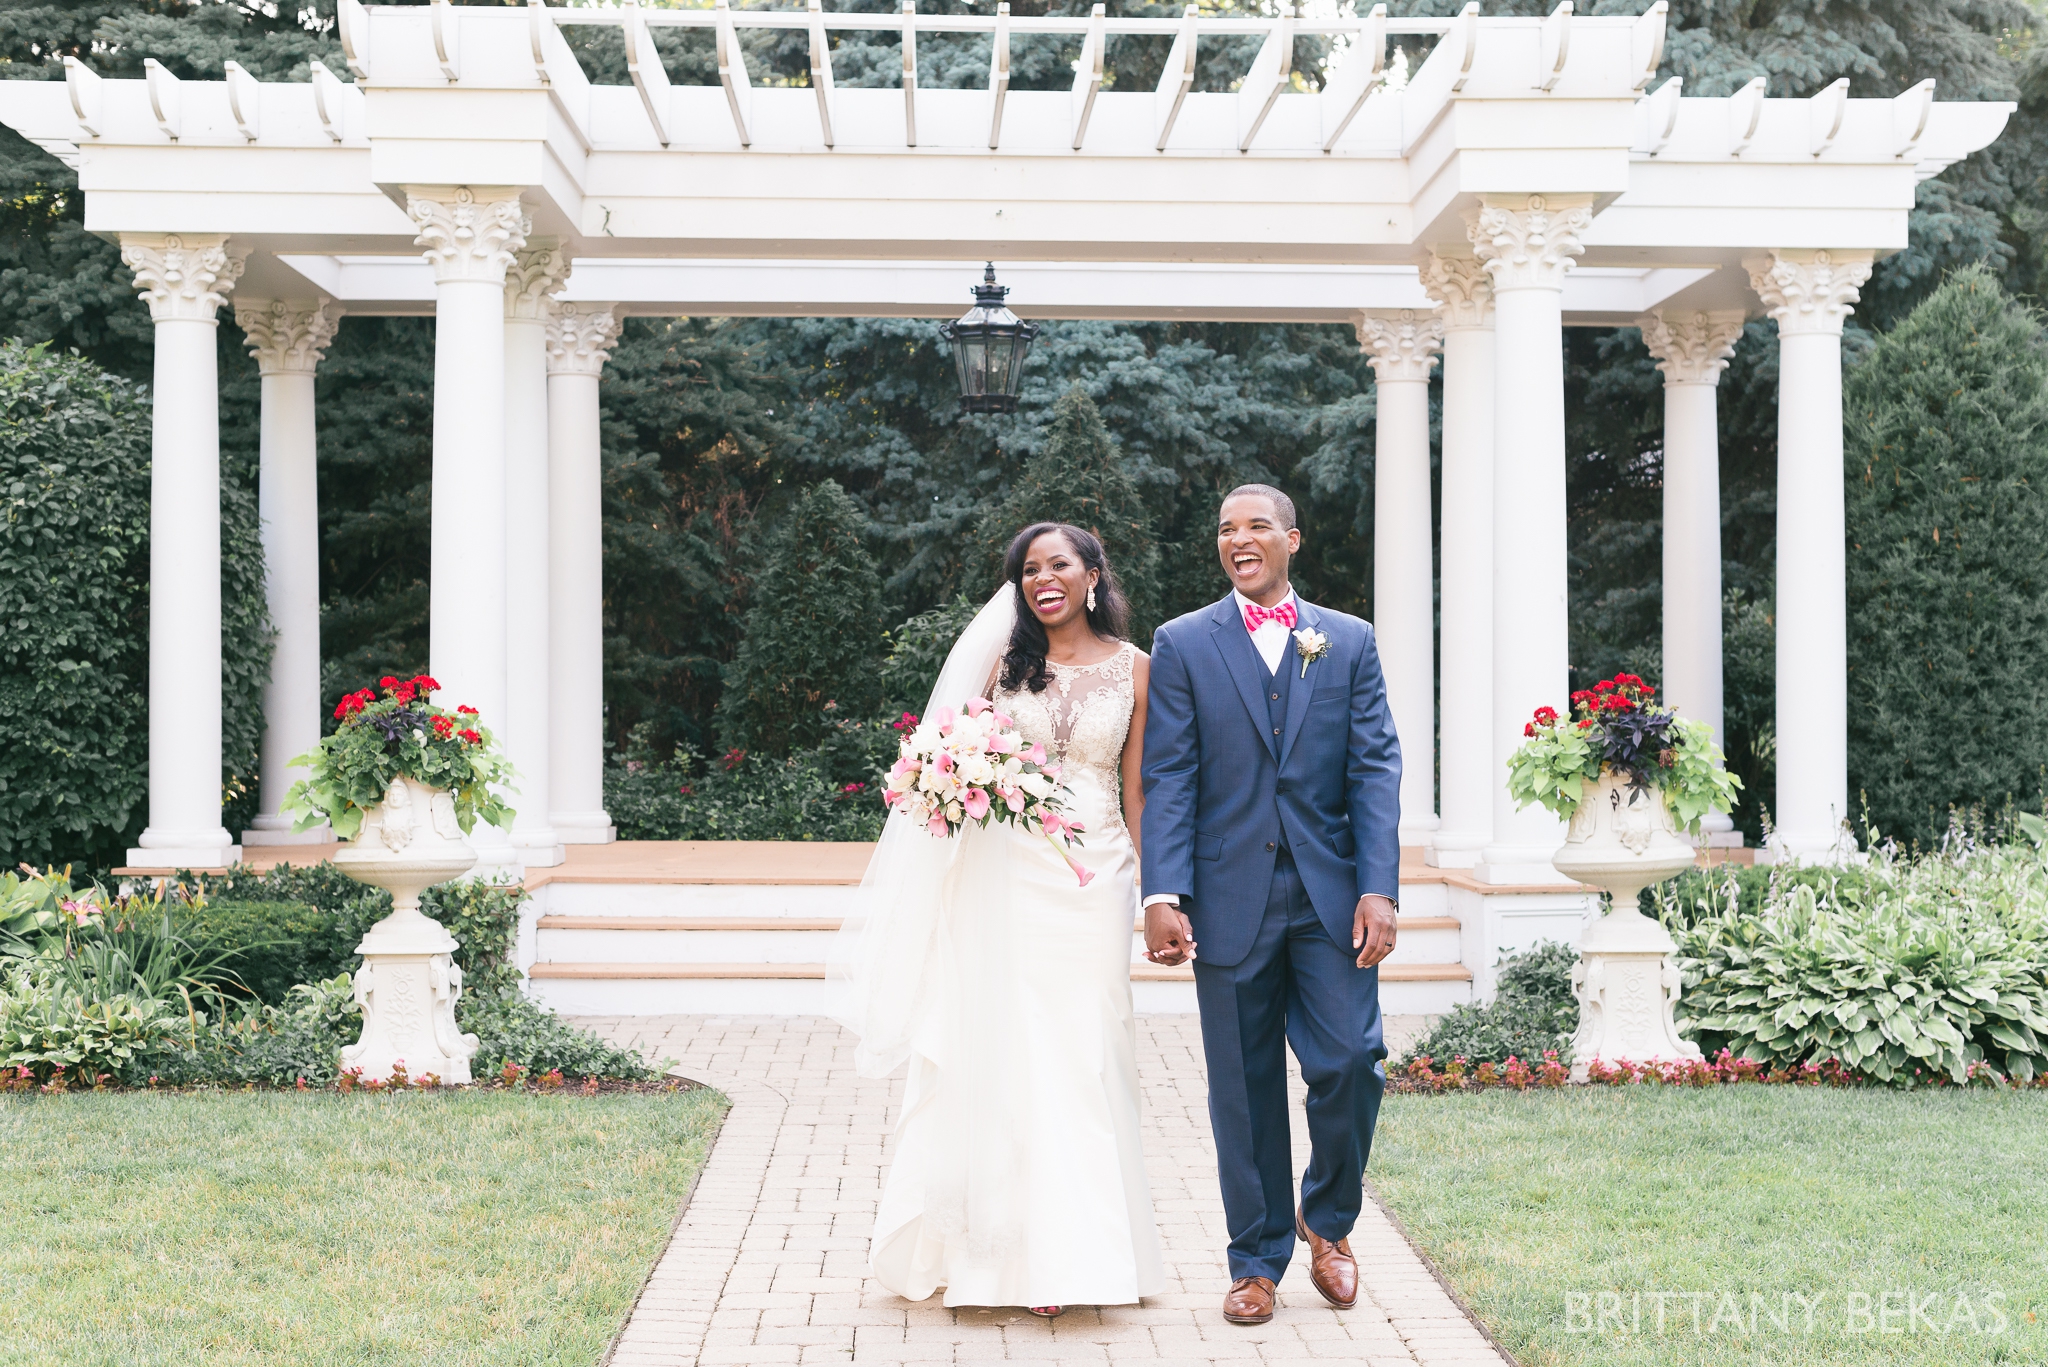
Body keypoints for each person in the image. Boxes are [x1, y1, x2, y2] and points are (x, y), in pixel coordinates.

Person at [833, 522, 1165, 1317]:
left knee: (1087, 1048)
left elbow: (1137, 790)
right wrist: (950, 779)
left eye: (1059, 564)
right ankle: (1010, 1258)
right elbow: (949, 761)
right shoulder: (999, 666)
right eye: (1028, 569)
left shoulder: (1138, 668)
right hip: (1005, 873)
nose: (1043, 578)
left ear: (1093, 574)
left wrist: (1159, 894)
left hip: (1097, 877)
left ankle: (1084, 1251)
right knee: (1011, 1049)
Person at [1139, 483, 1402, 1326]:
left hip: (1331, 895)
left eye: (1256, 525)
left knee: (1352, 1059)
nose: (1239, 539)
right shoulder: (1183, 642)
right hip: (1227, 896)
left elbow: (1374, 767)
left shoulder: (1348, 640)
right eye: (1226, 528)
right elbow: (1169, 773)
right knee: (1243, 1087)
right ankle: (1255, 1261)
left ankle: (1327, 1219)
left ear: (1293, 539)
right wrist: (1163, 890)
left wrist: (1378, 886)